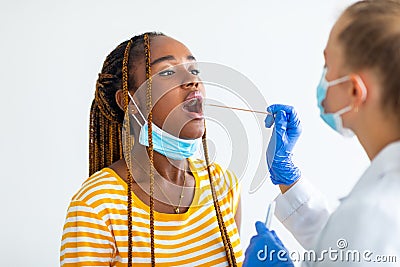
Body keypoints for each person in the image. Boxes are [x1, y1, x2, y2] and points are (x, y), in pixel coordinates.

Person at [60, 32, 243, 266]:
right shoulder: (96, 205)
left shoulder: (222, 185)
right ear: (129, 102)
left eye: (194, 70)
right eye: (167, 72)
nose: (192, 80)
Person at [244, 0, 400, 266]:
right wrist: (289, 178)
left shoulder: (375, 213)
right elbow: (346, 245)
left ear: (354, 91)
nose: (323, 79)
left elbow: (359, 239)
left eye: (327, 66)